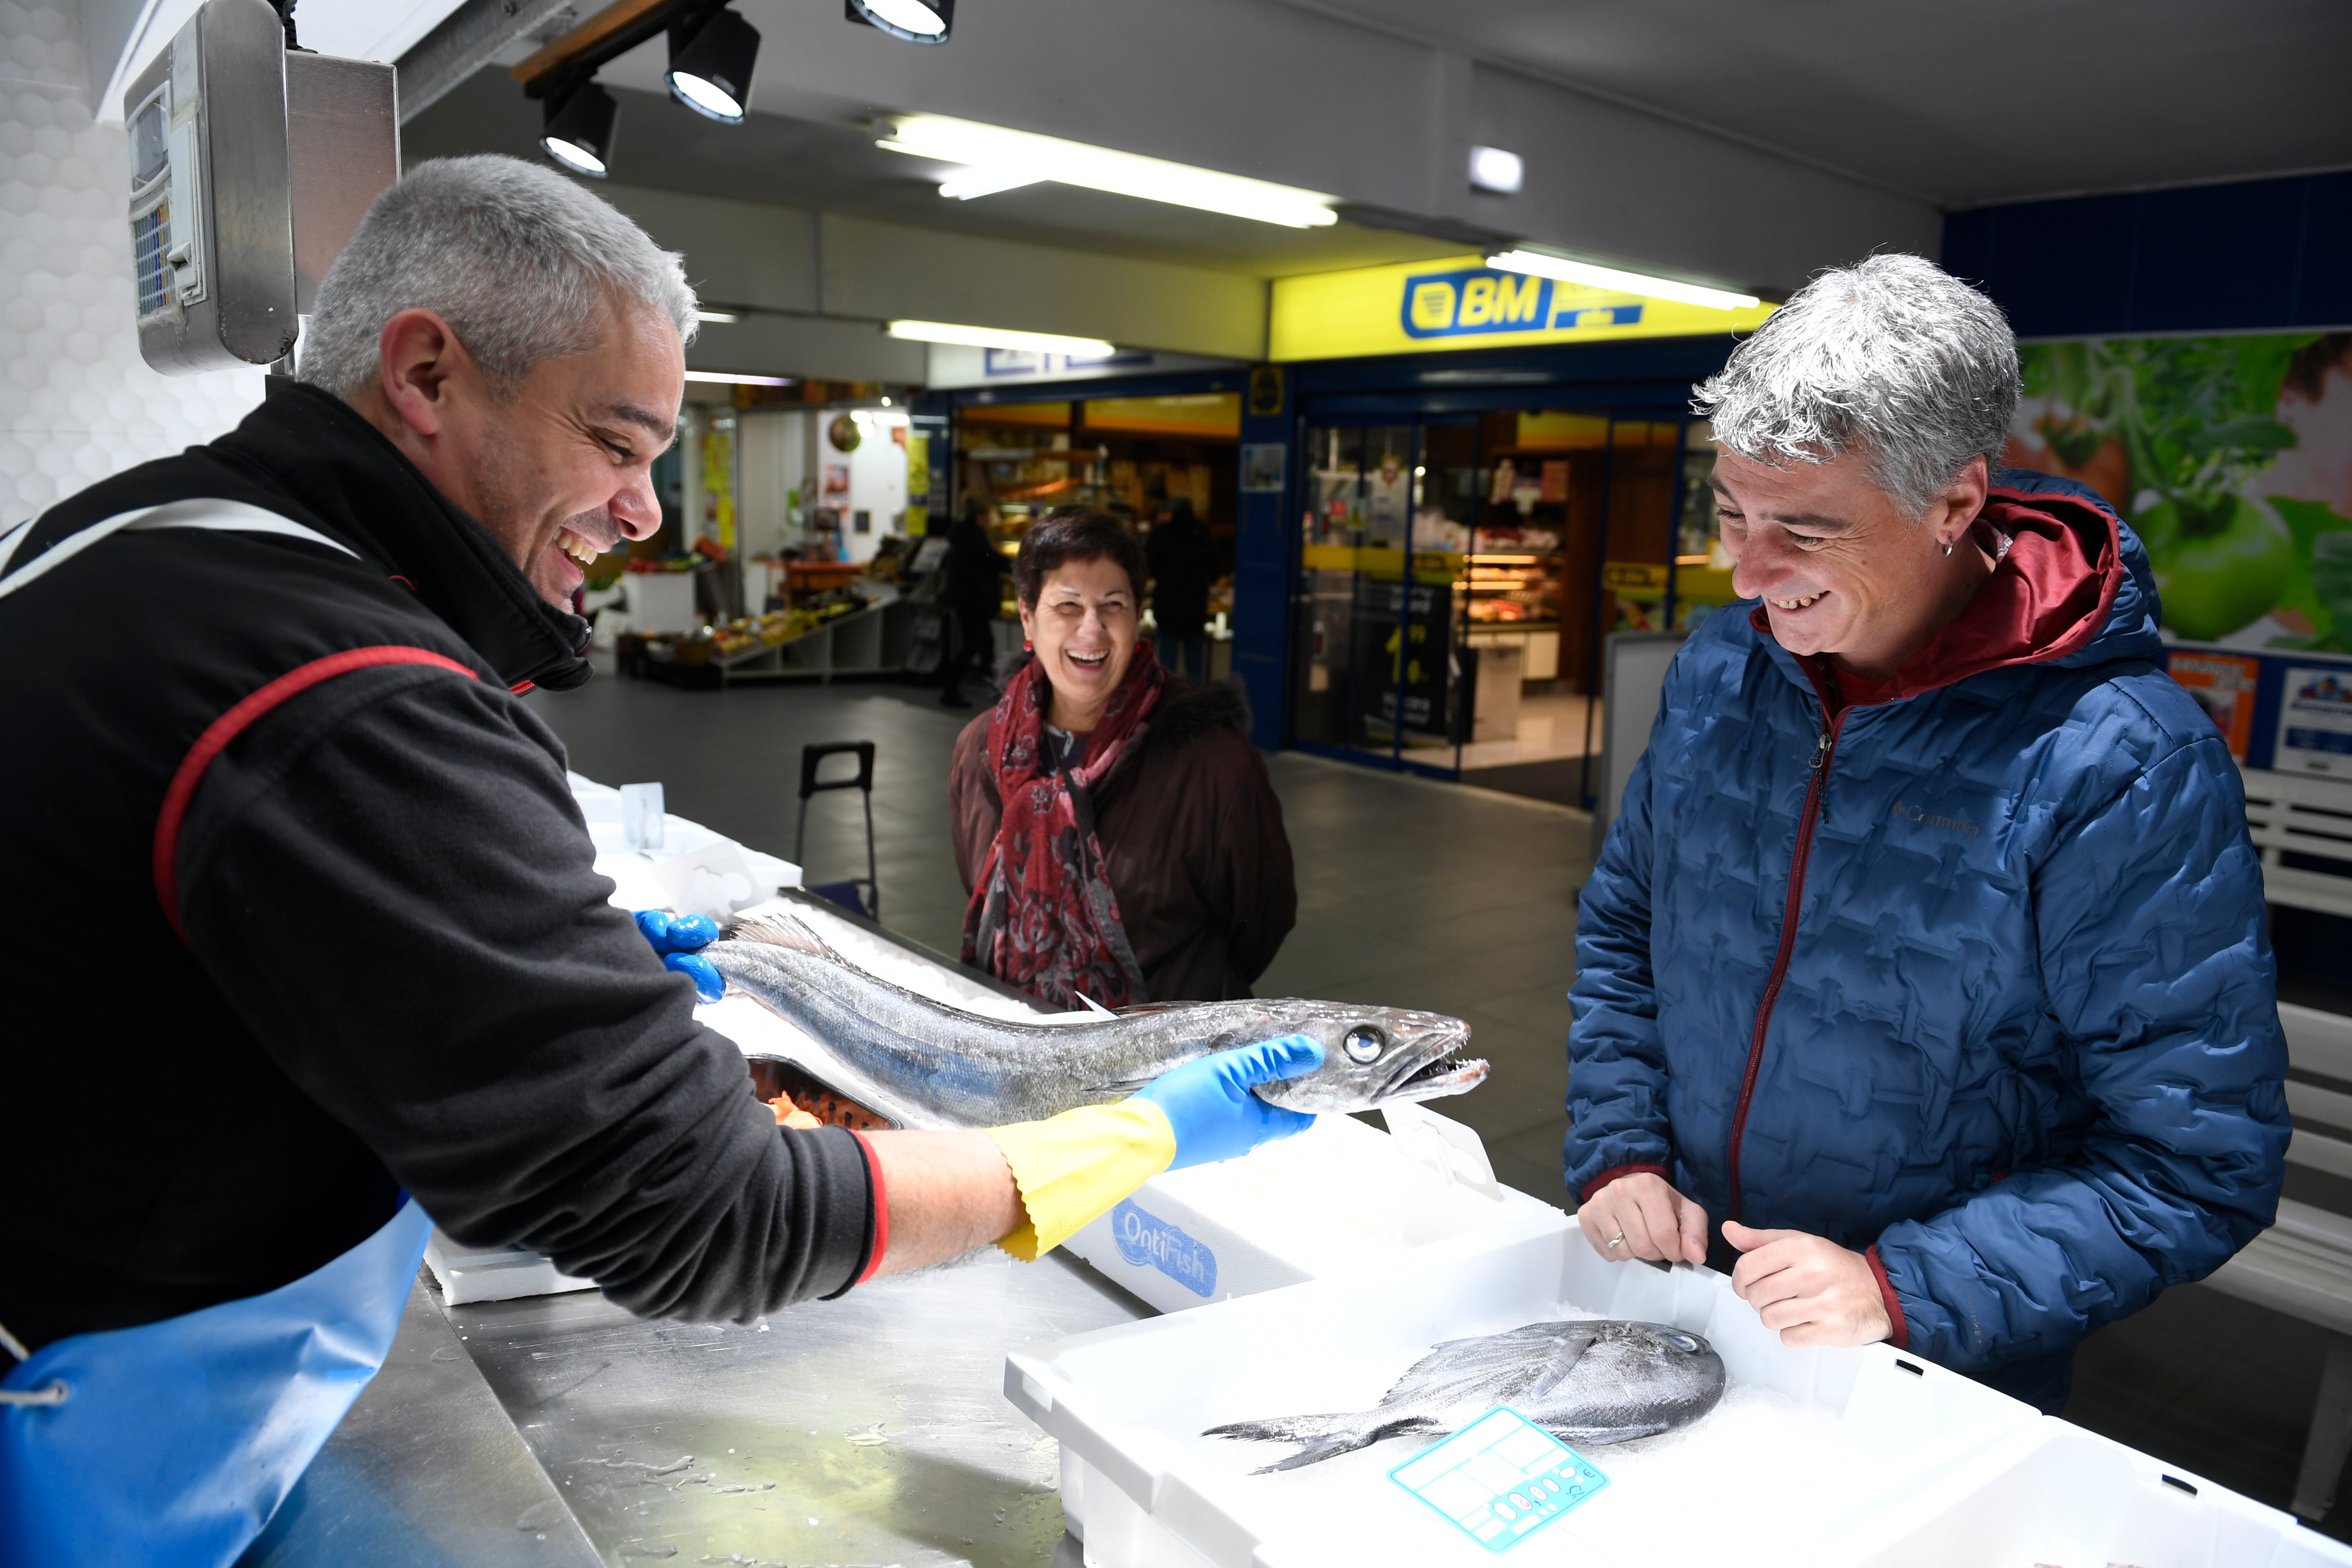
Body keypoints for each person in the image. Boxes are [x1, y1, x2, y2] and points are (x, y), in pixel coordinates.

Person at [0, 156, 1320, 1565]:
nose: (644, 512)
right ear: (428, 376)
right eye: (618, 444)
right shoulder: (347, 689)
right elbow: (705, 1211)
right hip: (81, 1442)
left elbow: (198, 951)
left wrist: (544, 980)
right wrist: (1123, 1138)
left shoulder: (131, 533)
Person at [1567, 254, 2289, 1413]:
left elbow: (2194, 1165)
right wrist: (1621, 1149)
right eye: (1729, 514)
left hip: (1926, 1368)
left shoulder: (2119, 763)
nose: (1747, 575)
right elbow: (1624, 926)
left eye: (1803, 529)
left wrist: (1903, 1287)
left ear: (1954, 504)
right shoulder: (1721, 670)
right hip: (1681, 1298)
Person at [950, 507, 1295, 1008]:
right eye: (1067, 606)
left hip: (1166, 1066)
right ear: (1027, 616)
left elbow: (1262, 920)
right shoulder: (982, 749)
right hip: (1022, 1052)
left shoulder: (1215, 765)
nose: (1091, 630)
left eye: (1112, 605)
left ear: (1137, 616)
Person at [939, 498, 1008, 707]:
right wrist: (1012, 565)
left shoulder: (961, 536)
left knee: (984, 643)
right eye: (987, 517)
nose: (989, 521)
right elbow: (988, 557)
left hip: (966, 600)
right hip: (973, 602)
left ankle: (998, 688)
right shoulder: (974, 538)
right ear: (979, 517)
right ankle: (952, 689)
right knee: (974, 644)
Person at [1144, 495, 1217, 677]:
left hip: (1168, 607)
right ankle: (1194, 702)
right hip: (1196, 607)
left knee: (1167, 666)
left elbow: (1148, 566)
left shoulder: (1162, 534)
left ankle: (1167, 702)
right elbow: (1215, 571)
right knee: (1195, 669)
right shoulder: (1204, 534)